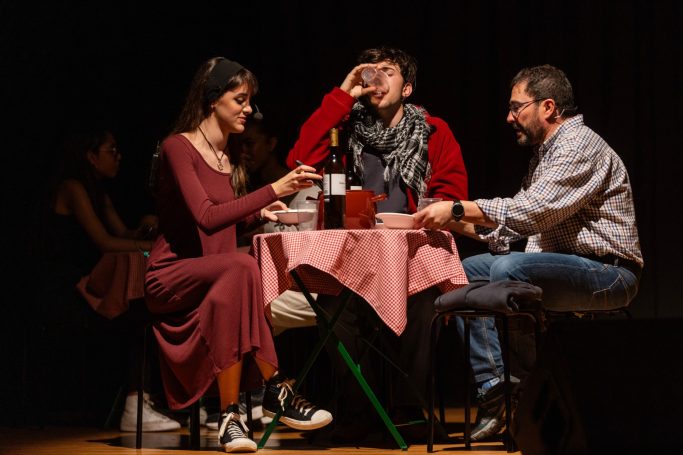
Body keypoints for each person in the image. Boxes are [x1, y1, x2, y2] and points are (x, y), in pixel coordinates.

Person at [415, 64, 643, 441]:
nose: (509, 117)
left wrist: (456, 208)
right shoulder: (546, 154)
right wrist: (449, 222)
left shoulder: (578, 144)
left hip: (610, 274)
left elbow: (531, 211)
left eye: (516, 107)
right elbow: (514, 228)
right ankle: (497, 391)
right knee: (467, 270)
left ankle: (528, 388)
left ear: (548, 107)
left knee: (508, 271)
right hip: (566, 267)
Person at [144, 56, 332, 453]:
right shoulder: (179, 147)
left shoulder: (226, 156)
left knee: (240, 274)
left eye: (250, 101)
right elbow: (206, 217)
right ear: (213, 99)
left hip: (216, 276)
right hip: (171, 276)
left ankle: (231, 417)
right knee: (243, 266)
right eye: (240, 100)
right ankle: (277, 388)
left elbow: (220, 229)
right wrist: (273, 191)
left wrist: (258, 215)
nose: (249, 109)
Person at [287, 46, 468, 442]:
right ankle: (362, 410)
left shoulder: (433, 130)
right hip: (353, 256)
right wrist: (343, 93)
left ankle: (407, 410)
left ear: (407, 88)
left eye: (388, 71)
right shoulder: (347, 126)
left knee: (424, 304)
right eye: (371, 72)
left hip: (412, 254)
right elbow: (300, 159)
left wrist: (427, 214)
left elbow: (452, 194)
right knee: (332, 309)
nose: (377, 78)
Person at [41, 128, 179, 432]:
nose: (119, 157)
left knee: (147, 306)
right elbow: (104, 242)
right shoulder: (73, 187)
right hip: (67, 288)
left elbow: (122, 234)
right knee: (137, 311)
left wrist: (143, 228)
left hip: (93, 281)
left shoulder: (98, 193)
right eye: (111, 150)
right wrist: (153, 246)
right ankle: (134, 402)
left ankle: (143, 400)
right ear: (91, 157)